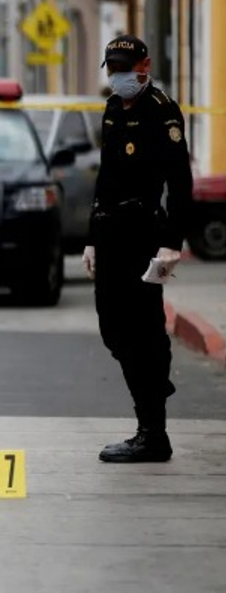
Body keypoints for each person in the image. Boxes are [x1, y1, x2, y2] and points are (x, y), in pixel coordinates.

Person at [83, 34, 193, 463]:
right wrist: (92, 236)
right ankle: (153, 388)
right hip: (110, 234)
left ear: (144, 65)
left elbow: (179, 182)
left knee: (144, 330)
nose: (119, 76)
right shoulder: (112, 108)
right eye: (113, 68)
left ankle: (152, 431)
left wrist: (172, 242)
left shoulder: (161, 110)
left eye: (126, 68)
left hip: (144, 233)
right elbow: (105, 179)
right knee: (113, 328)